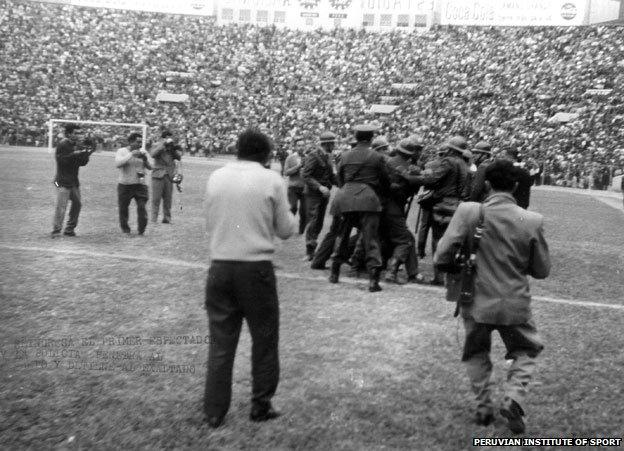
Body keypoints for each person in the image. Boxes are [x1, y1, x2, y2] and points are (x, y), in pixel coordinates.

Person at [434, 159, 551, 434]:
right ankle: (513, 399)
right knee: (527, 350)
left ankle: (484, 405)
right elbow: (542, 270)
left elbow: (442, 255)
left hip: (474, 297)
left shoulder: (469, 211)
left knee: (475, 352)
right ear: (515, 186)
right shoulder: (532, 220)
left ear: (487, 185)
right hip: (514, 301)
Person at [203, 128, 296, 428]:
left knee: (221, 343)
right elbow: (286, 229)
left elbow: (211, 219)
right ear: (266, 154)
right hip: (255, 269)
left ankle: (214, 412)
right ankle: (260, 405)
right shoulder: (271, 179)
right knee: (265, 339)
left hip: (219, 266)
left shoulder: (216, 176)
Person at [329, 123, 390, 292]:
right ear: (371, 138)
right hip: (368, 198)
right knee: (370, 238)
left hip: (345, 197)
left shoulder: (345, 155)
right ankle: (373, 280)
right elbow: (385, 181)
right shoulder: (377, 157)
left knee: (342, 234)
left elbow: (340, 179)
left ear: (356, 138)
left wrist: (348, 190)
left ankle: (334, 272)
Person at [402, 136, 469, 285]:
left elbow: (432, 180)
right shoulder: (464, 163)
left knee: (438, 240)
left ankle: (439, 277)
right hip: (457, 204)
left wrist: (413, 177)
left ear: (451, 149)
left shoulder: (448, 161)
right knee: (451, 241)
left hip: (443, 204)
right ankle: (449, 278)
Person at [383, 136, 425, 283]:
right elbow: (416, 183)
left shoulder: (388, 161)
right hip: (393, 208)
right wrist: (419, 174)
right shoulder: (407, 168)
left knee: (387, 238)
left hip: (383, 207)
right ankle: (392, 270)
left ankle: (412, 272)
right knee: (405, 240)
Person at [51, 124, 96, 237]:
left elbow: (82, 163)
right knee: (61, 206)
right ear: (69, 133)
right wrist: (75, 154)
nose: (78, 135)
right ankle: (56, 230)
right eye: (76, 133)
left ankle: (69, 229)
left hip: (73, 181)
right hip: (60, 181)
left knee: (77, 204)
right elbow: (61, 161)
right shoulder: (63, 144)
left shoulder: (77, 145)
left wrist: (87, 152)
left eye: (80, 133)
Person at [302, 131, 338, 260]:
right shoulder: (314, 155)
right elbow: (306, 175)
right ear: (327, 144)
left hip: (324, 194)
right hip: (313, 194)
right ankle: (309, 251)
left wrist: (343, 184)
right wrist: (320, 187)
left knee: (319, 222)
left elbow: (331, 176)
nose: (334, 145)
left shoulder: (328, 156)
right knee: (314, 220)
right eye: (332, 143)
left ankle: (312, 248)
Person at [115, 132, 152, 235]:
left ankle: (141, 229)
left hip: (140, 185)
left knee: (142, 207)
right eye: (138, 142)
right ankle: (125, 229)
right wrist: (131, 154)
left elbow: (150, 167)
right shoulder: (122, 151)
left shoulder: (143, 152)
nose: (140, 144)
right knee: (123, 208)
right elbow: (118, 164)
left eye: (141, 142)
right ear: (131, 142)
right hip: (125, 184)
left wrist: (145, 159)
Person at [150, 129, 182, 224]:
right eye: (167, 138)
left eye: (170, 138)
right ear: (163, 138)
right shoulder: (157, 145)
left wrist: (173, 149)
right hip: (158, 174)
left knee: (168, 199)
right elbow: (153, 154)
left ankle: (167, 218)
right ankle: (154, 218)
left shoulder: (171, 148)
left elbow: (179, 157)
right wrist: (163, 145)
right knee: (156, 198)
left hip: (169, 175)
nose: (169, 139)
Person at [283, 137, 307, 234]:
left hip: (305, 188)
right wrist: (298, 166)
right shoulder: (290, 158)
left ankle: (301, 230)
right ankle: (290, 227)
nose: (301, 147)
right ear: (295, 146)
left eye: (302, 145)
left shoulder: (308, 157)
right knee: (292, 208)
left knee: (304, 211)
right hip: (293, 187)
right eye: (299, 145)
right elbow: (286, 172)